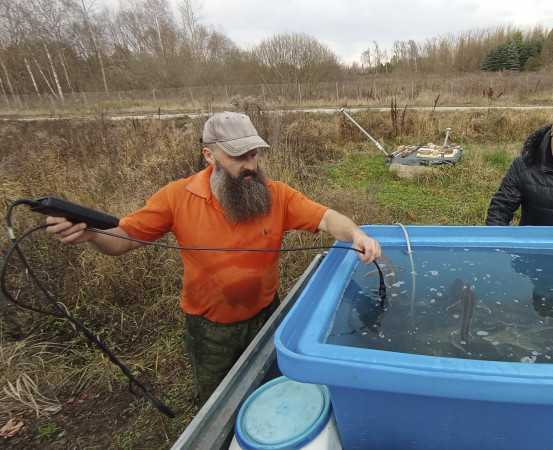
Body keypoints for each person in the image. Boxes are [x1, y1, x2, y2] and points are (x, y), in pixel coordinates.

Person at [45, 111, 382, 405]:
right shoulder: (177, 197)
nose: (250, 165)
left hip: (267, 314)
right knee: (217, 396)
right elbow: (124, 239)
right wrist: (91, 235)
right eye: (239, 157)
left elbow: (325, 218)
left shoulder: (275, 195)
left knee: (272, 383)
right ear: (209, 154)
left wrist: (357, 234)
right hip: (210, 327)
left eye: (253, 154)